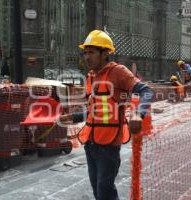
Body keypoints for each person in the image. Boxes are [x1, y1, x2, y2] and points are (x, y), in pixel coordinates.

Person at [57, 30, 154, 200]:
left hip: (109, 145)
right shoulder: (91, 77)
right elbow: (98, 110)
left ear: (105, 53)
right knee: (97, 189)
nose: (87, 57)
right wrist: (75, 117)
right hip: (91, 144)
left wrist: (139, 113)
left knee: (104, 191)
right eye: (85, 52)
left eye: (92, 52)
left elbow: (146, 91)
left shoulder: (118, 72)